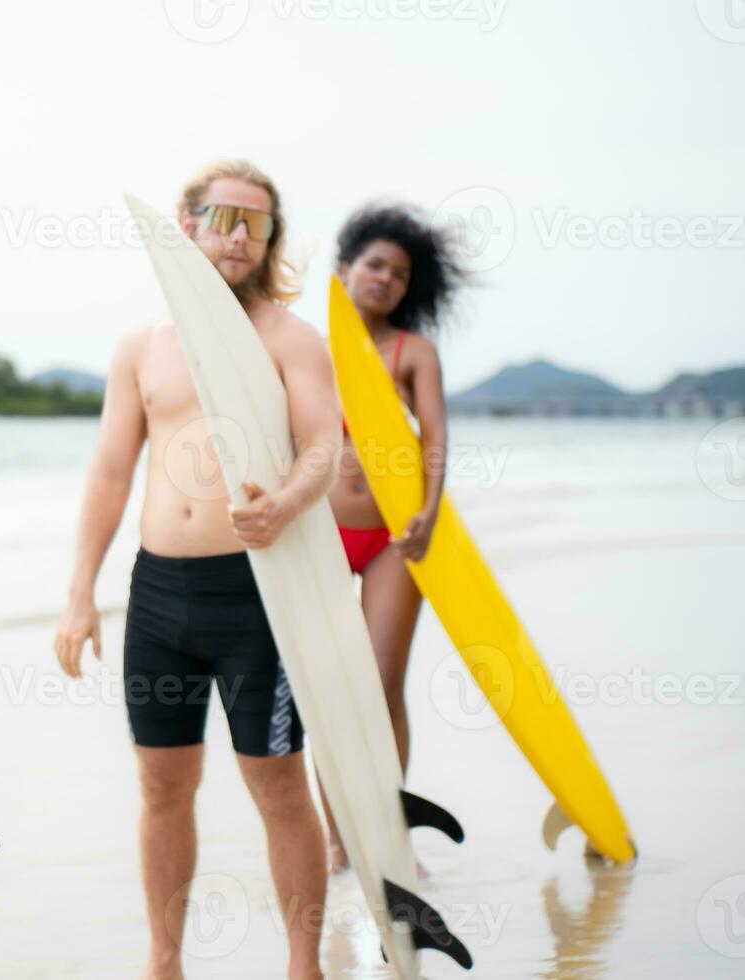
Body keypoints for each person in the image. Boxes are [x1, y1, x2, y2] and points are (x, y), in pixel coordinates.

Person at [54, 160, 341, 980]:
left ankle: (302, 965)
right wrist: (80, 595)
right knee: (161, 787)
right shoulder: (143, 345)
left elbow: (323, 445)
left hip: (260, 597)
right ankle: (165, 962)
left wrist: (284, 503)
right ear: (186, 226)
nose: (239, 236)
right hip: (159, 597)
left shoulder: (291, 339)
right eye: (223, 217)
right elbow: (110, 473)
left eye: (257, 223)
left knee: (278, 787)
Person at [323, 204, 464, 872]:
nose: (385, 279)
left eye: (400, 274)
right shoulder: (308, 344)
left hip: (391, 537)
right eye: (375, 264)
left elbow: (434, 434)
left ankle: (390, 829)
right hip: (317, 536)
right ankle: (338, 840)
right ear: (345, 267)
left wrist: (430, 511)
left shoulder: (413, 351)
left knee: (381, 681)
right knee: (328, 687)